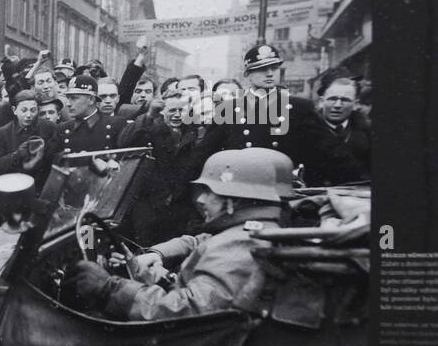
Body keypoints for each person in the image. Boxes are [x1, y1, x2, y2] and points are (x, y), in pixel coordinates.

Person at [64, 149, 288, 320]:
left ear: (234, 200)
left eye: (209, 192)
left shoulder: (241, 245)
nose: (200, 200)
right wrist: (143, 266)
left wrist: (110, 289)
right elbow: (191, 274)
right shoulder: (247, 232)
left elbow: (189, 312)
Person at [214, 44, 363, 186]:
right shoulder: (229, 109)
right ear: (248, 74)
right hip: (237, 189)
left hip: (279, 192)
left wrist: (360, 186)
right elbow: (204, 154)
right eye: (262, 69)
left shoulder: (299, 109)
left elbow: (332, 153)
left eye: (274, 68)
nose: (270, 73)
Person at [123, 90, 224, 246]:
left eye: (181, 110)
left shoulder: (195, 133)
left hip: (180, 207)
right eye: (172, 110)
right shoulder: (151, 130)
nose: (177, 115)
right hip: (151, 205)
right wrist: (149, 115)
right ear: (163, 111)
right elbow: (125, 142)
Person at [0, 89, 59, 192]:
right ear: (14, 110)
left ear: (38, 110)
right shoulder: (3, 133)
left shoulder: (49, 128)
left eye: (33, 110)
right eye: (24, 110)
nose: (28, 115)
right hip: (15, 190)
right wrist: (16, 155)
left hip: (43, 188)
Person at [317, 77, 371, 176]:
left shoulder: (367, 134)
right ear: (321, 102)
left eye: (345, 100)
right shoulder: (305, 130)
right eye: (332, 99)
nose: (337, 105)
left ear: (355, 104)